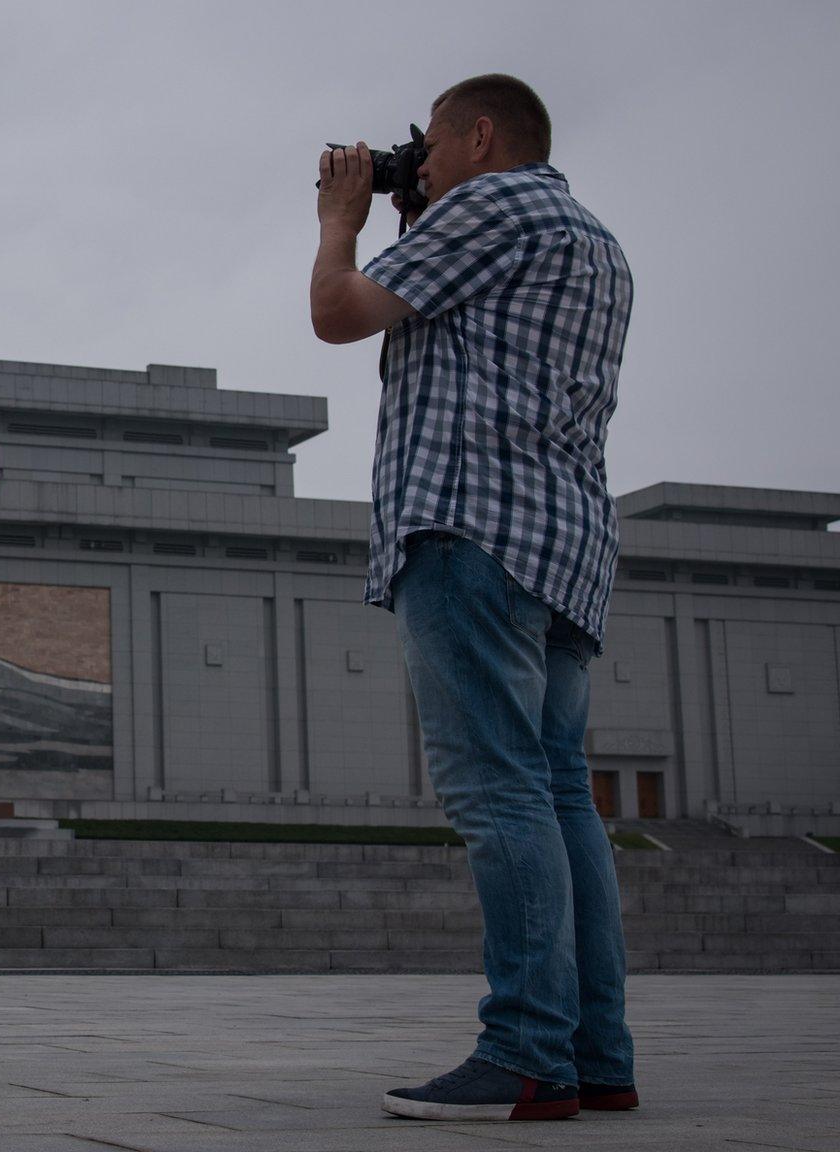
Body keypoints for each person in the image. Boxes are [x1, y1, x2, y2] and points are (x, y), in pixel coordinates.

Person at [310, 75, 638, 1121]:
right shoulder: (591, 236)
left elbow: (337, 314)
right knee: (551, 795)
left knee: (497, 794)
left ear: (481, 135)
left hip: (470, 531)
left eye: (433, 148)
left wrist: (338, 223)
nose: (426, 165)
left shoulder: (489, 206)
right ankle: (593, 1054)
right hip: (562, 544)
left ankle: (524, 1052)